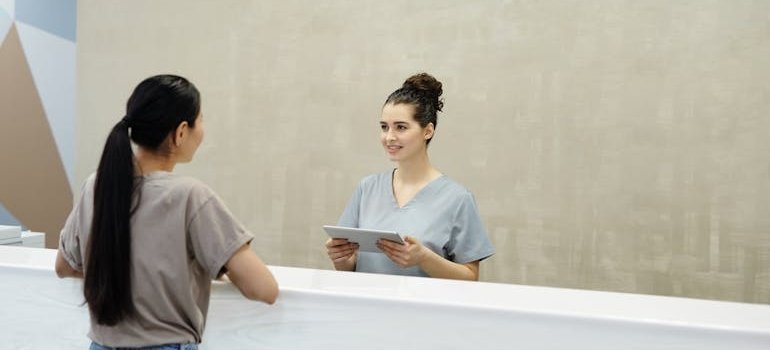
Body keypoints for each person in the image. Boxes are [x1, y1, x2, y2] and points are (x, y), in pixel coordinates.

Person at [55, 74, 278, 349]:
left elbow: (64, 266)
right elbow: (264, 289)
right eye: (201, 120)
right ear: (181, 131)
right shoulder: (191, 196)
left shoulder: (95, 185)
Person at [325, 73, 494, 280]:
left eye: (401, 127)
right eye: (384, 127)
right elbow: (351, 267)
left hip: (424, 311)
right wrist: (342, 259)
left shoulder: (457, 199)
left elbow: (470, 277)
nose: (389, 137)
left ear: (428, 131)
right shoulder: (367, 188)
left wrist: (424, 258)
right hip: (367, 310)